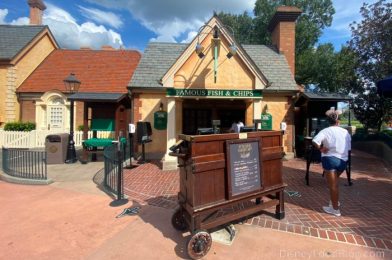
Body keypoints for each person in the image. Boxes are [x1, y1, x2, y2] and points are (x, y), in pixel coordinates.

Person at [312, 108, 351, 217]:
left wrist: (320, 149)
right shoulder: (345, 132)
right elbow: (348, 148)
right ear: (338, 122)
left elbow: (315, 141)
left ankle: (335, 209)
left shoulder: (325, 131)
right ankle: (333, 203)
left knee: (333, 186)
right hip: (343, 162)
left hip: (329, 160)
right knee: (333, 184)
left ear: (329, 121)